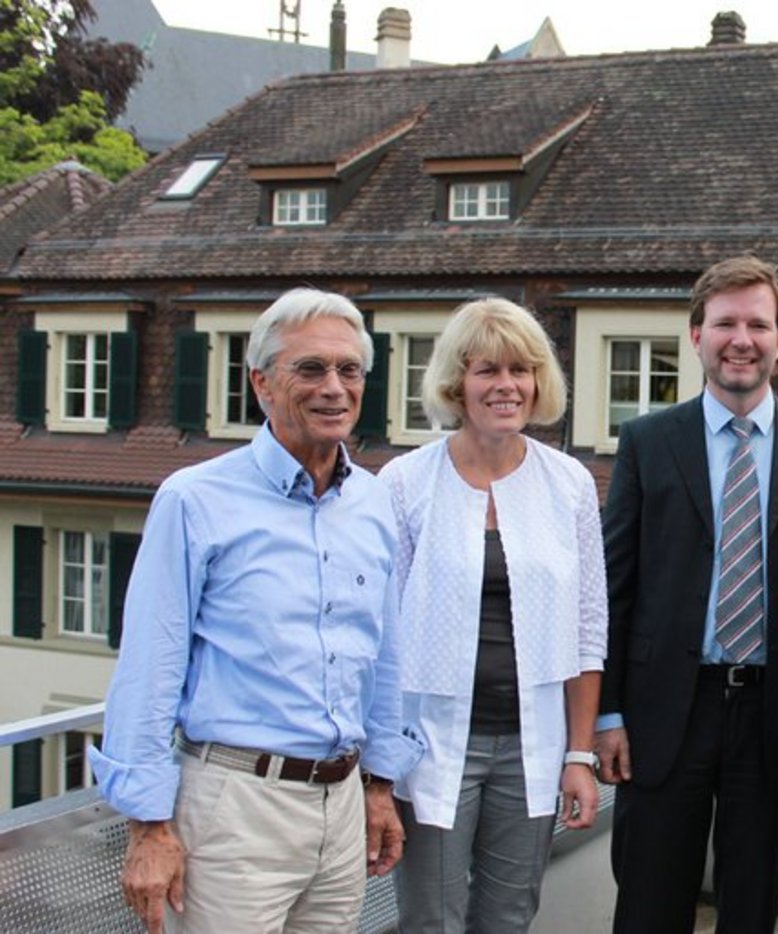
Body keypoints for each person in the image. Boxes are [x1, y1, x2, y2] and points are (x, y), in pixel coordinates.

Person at [91, 288, 423, 934]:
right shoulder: (195, 500)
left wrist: (380, 784)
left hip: (343, 806)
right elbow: (150, 667)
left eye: (349, 370)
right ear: (262, 383)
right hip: (234, 808)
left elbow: (384, 655)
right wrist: (149, 825)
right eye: (311, 369)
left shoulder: (375, 502)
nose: (334, 388)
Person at [597, 255, 778, 933]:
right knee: (649, 902)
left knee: (751, 905)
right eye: (725, 324)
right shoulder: (647, 441)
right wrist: (608, 712)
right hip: (662, 712)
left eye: (758, 325)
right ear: (696, 335)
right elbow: (613, 587)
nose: (742, 339)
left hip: (777, 716)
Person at [380, 297, 607, 933]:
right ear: (457, 383)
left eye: (521, 370)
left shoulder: (569, 484)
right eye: (487, 370)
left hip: (532, 744)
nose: (506, 385)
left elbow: (589, 627)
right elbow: (382, 631)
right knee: (432, 920)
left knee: (509, 918)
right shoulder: (404, 483)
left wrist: (580, 755)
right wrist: (378, 765)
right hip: (429, 743)